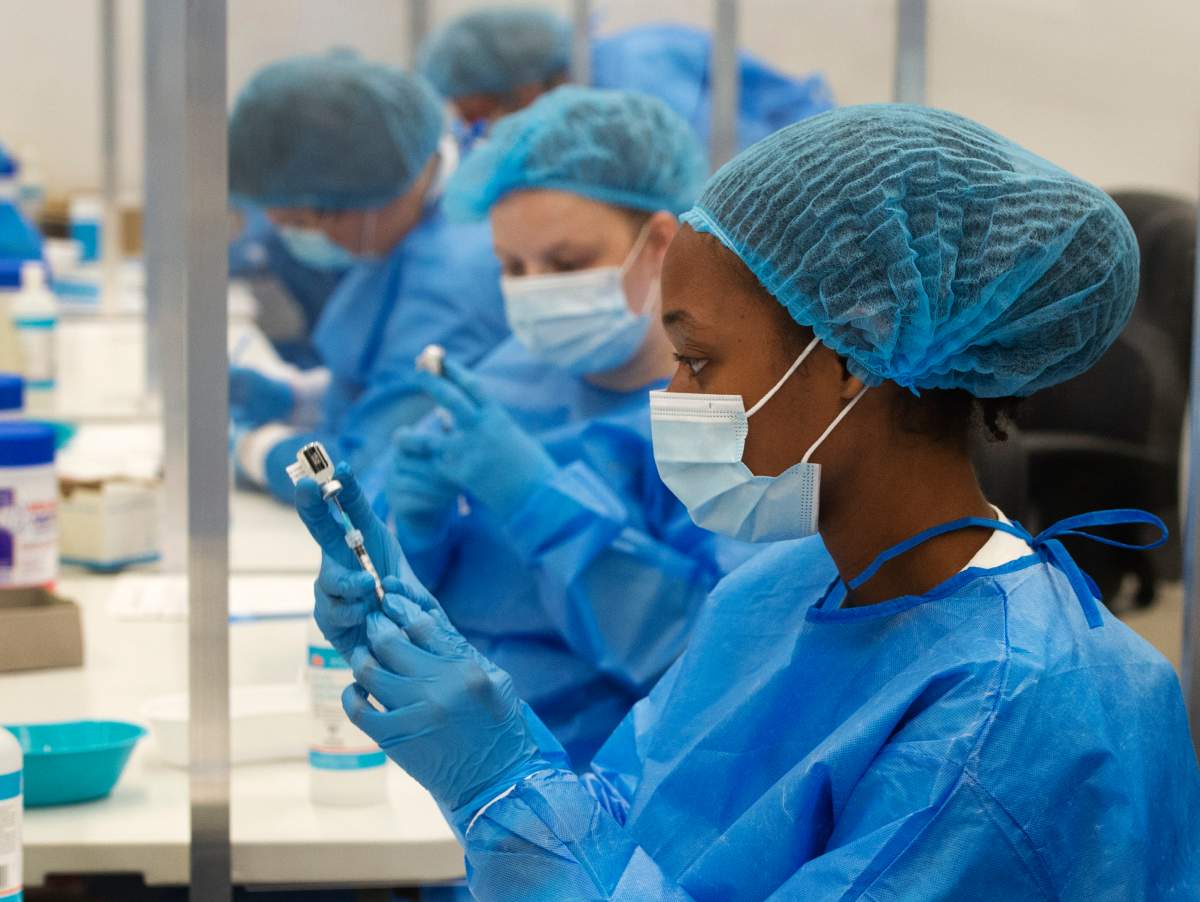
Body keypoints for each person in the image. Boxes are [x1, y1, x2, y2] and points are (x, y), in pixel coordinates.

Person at [297, 105, 1200, 898]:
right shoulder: (786, 589)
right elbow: (633, 829)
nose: (672, 399)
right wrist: (458, 692)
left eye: (698, 362)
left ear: (851, 359)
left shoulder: (1007, 719)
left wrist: (500, 788)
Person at [360, 86, 755, 768]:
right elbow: (417, 611)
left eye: (567, 264)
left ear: (661, 244)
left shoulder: (733, 413)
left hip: (619, 783)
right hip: (455, 761)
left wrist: (539, 504)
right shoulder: (507, 376)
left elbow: (721, 661)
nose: (537, 288)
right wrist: (419, 538)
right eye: (513, 268)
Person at [227, 54, 509, 501]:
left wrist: (257, 449)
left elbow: (363, 475)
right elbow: (389, 380)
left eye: (311, 219)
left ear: (383, 187)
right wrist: (303, 398)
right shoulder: (411, 226)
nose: (305, 238)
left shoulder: (454, 286)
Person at [417, 7, 833, 150]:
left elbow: (722, 178)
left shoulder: (639, 75)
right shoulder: (571, 111)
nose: (481, 131)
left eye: (481, 116)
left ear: (522, 88)